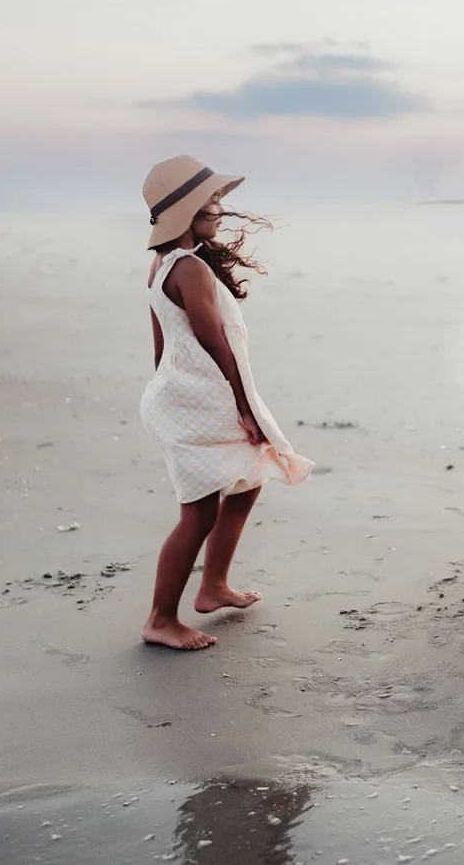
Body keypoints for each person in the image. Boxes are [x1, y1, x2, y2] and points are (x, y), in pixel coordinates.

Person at [138, 155, 312, 648]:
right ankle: (160, 619)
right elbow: (216, 343)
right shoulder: (188, 268)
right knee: (197, 515)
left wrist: (166, 390)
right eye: (210, 201)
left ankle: (213, 586)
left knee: (248, 479)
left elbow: (161, 344)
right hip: (202, 400)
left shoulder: (164, 263)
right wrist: (244, 407)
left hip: (186, 395)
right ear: (185, 210)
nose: (220, 209)